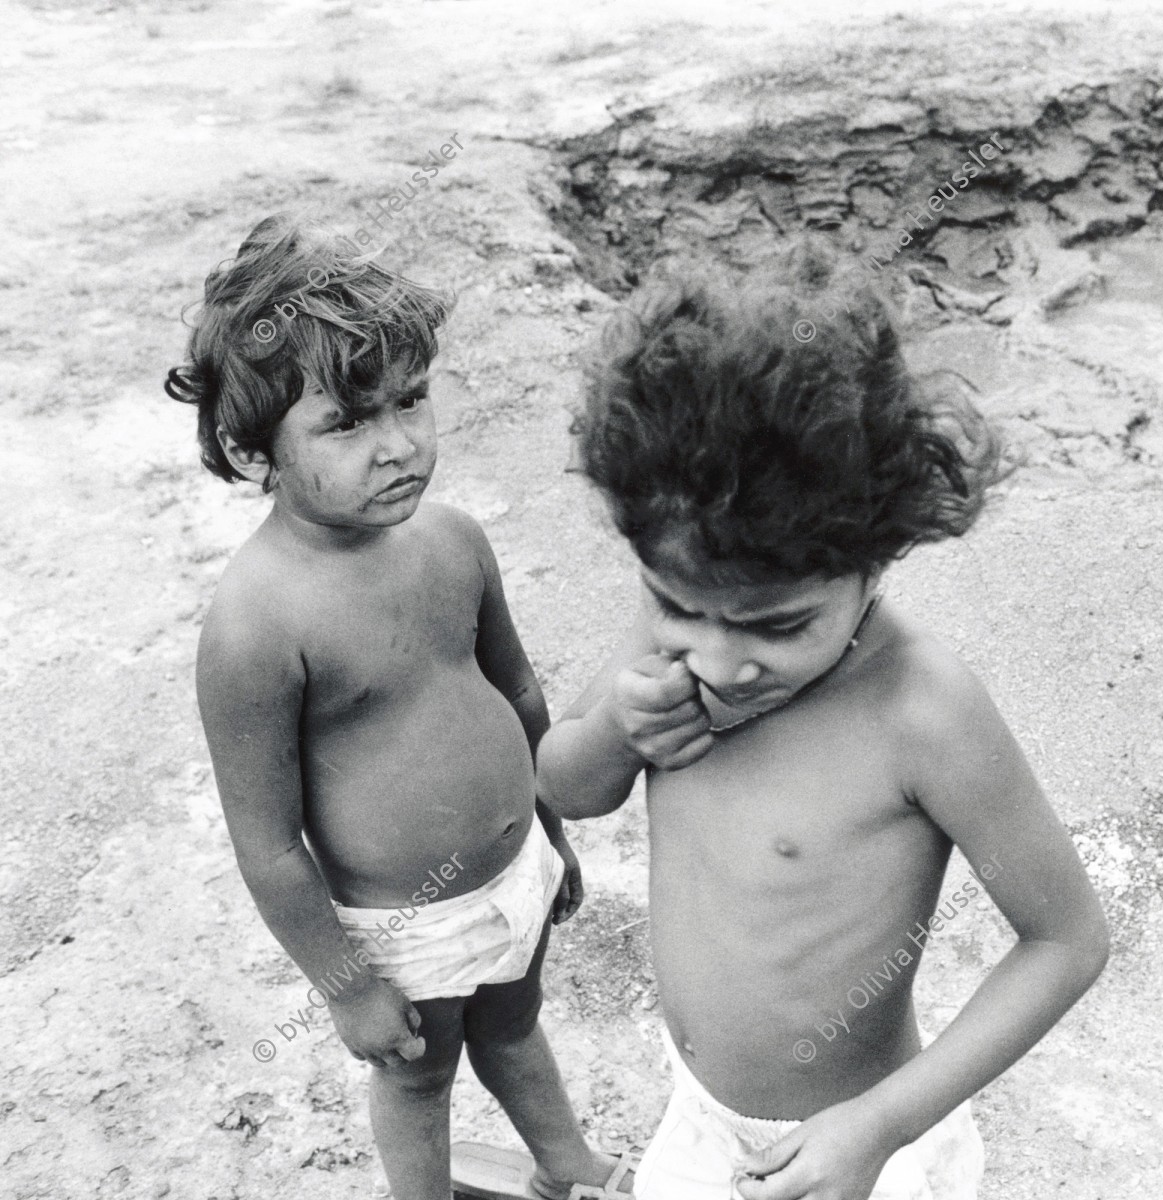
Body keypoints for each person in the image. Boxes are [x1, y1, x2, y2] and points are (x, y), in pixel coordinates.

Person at [538, 252, 1112, 1200]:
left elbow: (1065, 942)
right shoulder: (676, 624)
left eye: (779, 625)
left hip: (863, 1150)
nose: (719, 662)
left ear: (875, 563)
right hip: (699, 1120)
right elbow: (565, 788)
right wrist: (615, 730)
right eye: (679, 606)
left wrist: (881, 1127)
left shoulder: (920, 710)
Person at [167, 215, 633, 1200]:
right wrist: (346, 986)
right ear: (256, 455)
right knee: (418, 1076)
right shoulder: (257, 626)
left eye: (408, 401)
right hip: (403, 927)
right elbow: (269, 844)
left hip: (517, 870)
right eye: (344, 423)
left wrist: (551, 831)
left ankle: (567, 1167)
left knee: (514, 1024)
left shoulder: (453, 539)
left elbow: (517, 692)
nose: (396, 447)